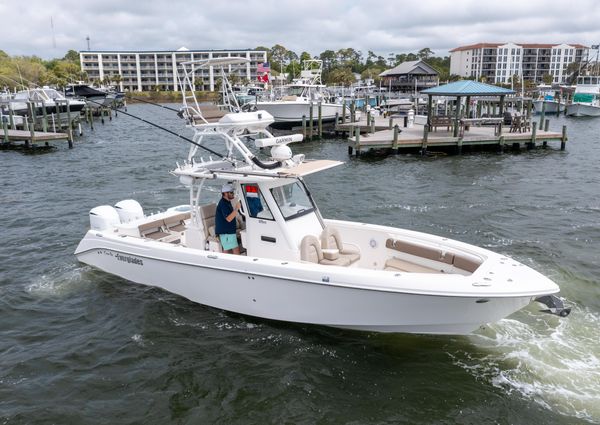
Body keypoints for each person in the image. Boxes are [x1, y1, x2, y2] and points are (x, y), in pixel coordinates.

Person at [215, 183, 241, 254]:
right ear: (225, 193)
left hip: (229, 231)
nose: (233, 194)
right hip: (226, 232)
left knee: (228, 249)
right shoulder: (223, 204)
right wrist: (237, 208)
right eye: (231, 192)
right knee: (235, 250)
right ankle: (238, 264)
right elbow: (229, 219)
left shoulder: (227, 202)